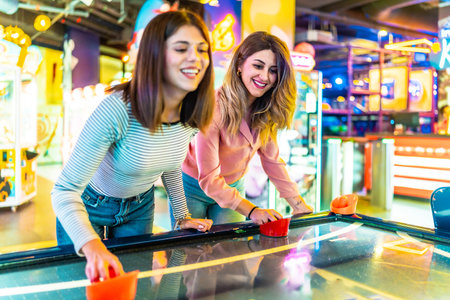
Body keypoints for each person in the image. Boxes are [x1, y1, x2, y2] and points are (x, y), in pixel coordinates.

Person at [52, 10, 215, 282]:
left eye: (202, 49)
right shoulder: (118, 108)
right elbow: (64, 191)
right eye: (181, 48)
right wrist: (93, 248)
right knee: (81, 288)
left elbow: (170, 165)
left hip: (140, 206)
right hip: (89, 203)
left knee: (133, 288)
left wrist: (182, 215)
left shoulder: (192, 115)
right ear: (154, 55)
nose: (195, 58)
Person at [179, 31, 313, 226]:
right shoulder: (212, 107)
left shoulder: (265, 109)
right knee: (190, 253)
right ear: (240, 65)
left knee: (231, 250)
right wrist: (252, 210)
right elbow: (208, 178)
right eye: (258, 66)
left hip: (233, 185)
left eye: (273, 70)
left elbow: (272, 161)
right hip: (193, 188)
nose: (265, 76)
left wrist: (299, 205)